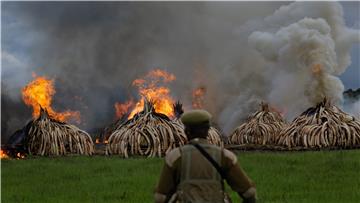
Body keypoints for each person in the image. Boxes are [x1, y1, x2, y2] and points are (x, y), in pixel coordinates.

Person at [154, 110, 256, 203]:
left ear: (186, 131)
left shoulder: (175, 156)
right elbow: (249, 192)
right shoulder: (225, 156)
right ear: (208, 130)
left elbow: (160, 197)